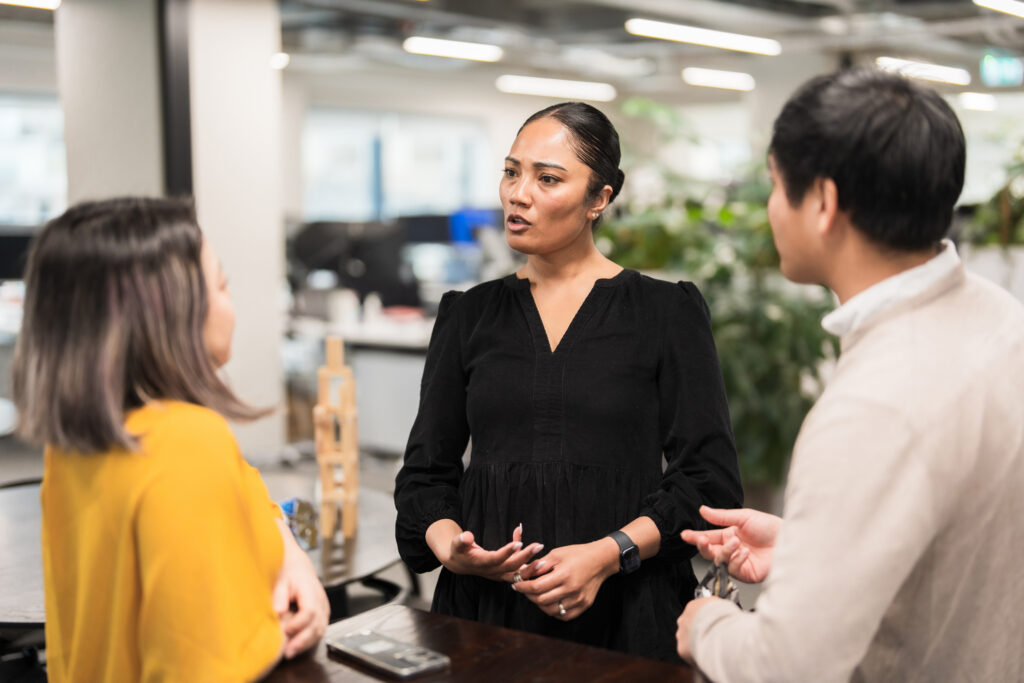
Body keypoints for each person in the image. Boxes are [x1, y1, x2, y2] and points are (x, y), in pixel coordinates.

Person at [676, 67, 1024, 681]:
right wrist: (812, 547)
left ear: (824, 203)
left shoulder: (873, 405)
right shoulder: (1004, 320)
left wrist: (707, 625)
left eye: (776, 185)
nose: (771, 207)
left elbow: (786, 667)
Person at [394, 102, 743, 661]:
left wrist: (608, 554)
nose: (518, 194)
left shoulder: (664, 312)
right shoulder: (468, 315)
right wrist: (450, 547)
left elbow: (709, 482)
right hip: (487, 611)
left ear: (599, 199)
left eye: (548, 178)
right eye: (511, 172)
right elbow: (424, 474)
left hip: (627, 612)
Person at [12, 197, 330, 682]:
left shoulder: (76, 446)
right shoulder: (188, 443)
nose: (231, 301)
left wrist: (292, 559)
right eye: (221, 284)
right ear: (170, 313)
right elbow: (210, 665)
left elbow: (252, 496)